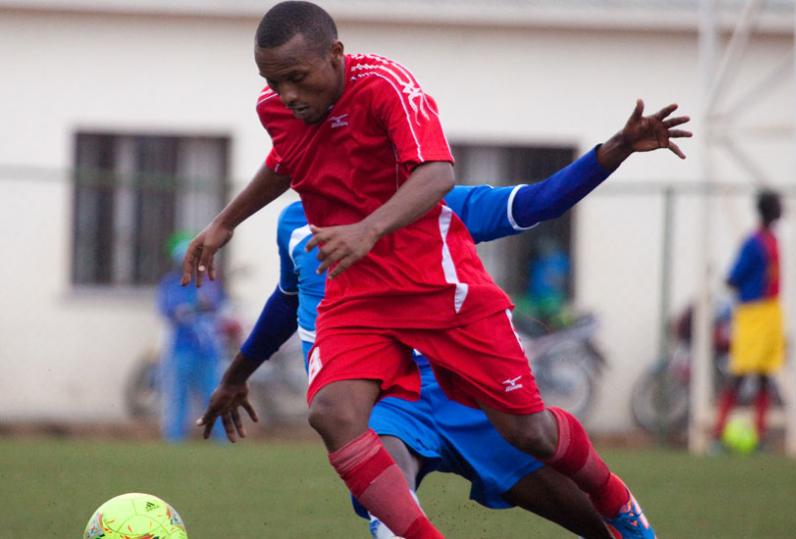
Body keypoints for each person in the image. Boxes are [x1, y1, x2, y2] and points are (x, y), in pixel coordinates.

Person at [183, 3, 691, 537]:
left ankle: (619, 508)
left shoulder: (404, 126)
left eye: (296, 79)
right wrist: (226, 223)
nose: (286, 95)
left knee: (533, 435)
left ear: (336, 55)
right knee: (335, 415)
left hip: (440, 304)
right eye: (273, 81)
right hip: (371, 340)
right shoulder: (294, 206)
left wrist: (615, 149)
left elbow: (467, 180)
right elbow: (285, 295)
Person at [207, 150, 620, 538]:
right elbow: (288, 299)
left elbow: (537, 201)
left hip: (459, 389)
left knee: (583, 512)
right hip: (385, 394)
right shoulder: (293, 225)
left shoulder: (434, 206)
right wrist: (235, 376)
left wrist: (614, 150)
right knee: (385, 484)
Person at [711, 190, 783, 449]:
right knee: (740, 373)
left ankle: (760, 435)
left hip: (771, 313)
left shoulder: (772, 239)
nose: (782, 209)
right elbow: (732, 277)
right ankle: (718, 435)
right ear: (768, 210)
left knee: (765, 374)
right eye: (778, 205)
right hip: (752, 313)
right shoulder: (753, 242)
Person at [157, 232, 228, 442]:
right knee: (177, 396)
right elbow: (168, 309)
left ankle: (222, 439)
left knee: (214, 395)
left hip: (208, 349)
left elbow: (217, 303)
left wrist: (202, 305)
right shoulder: (170, 283)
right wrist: (192, 307)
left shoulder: (209, 281)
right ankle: (175, 438)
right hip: (181, 349)